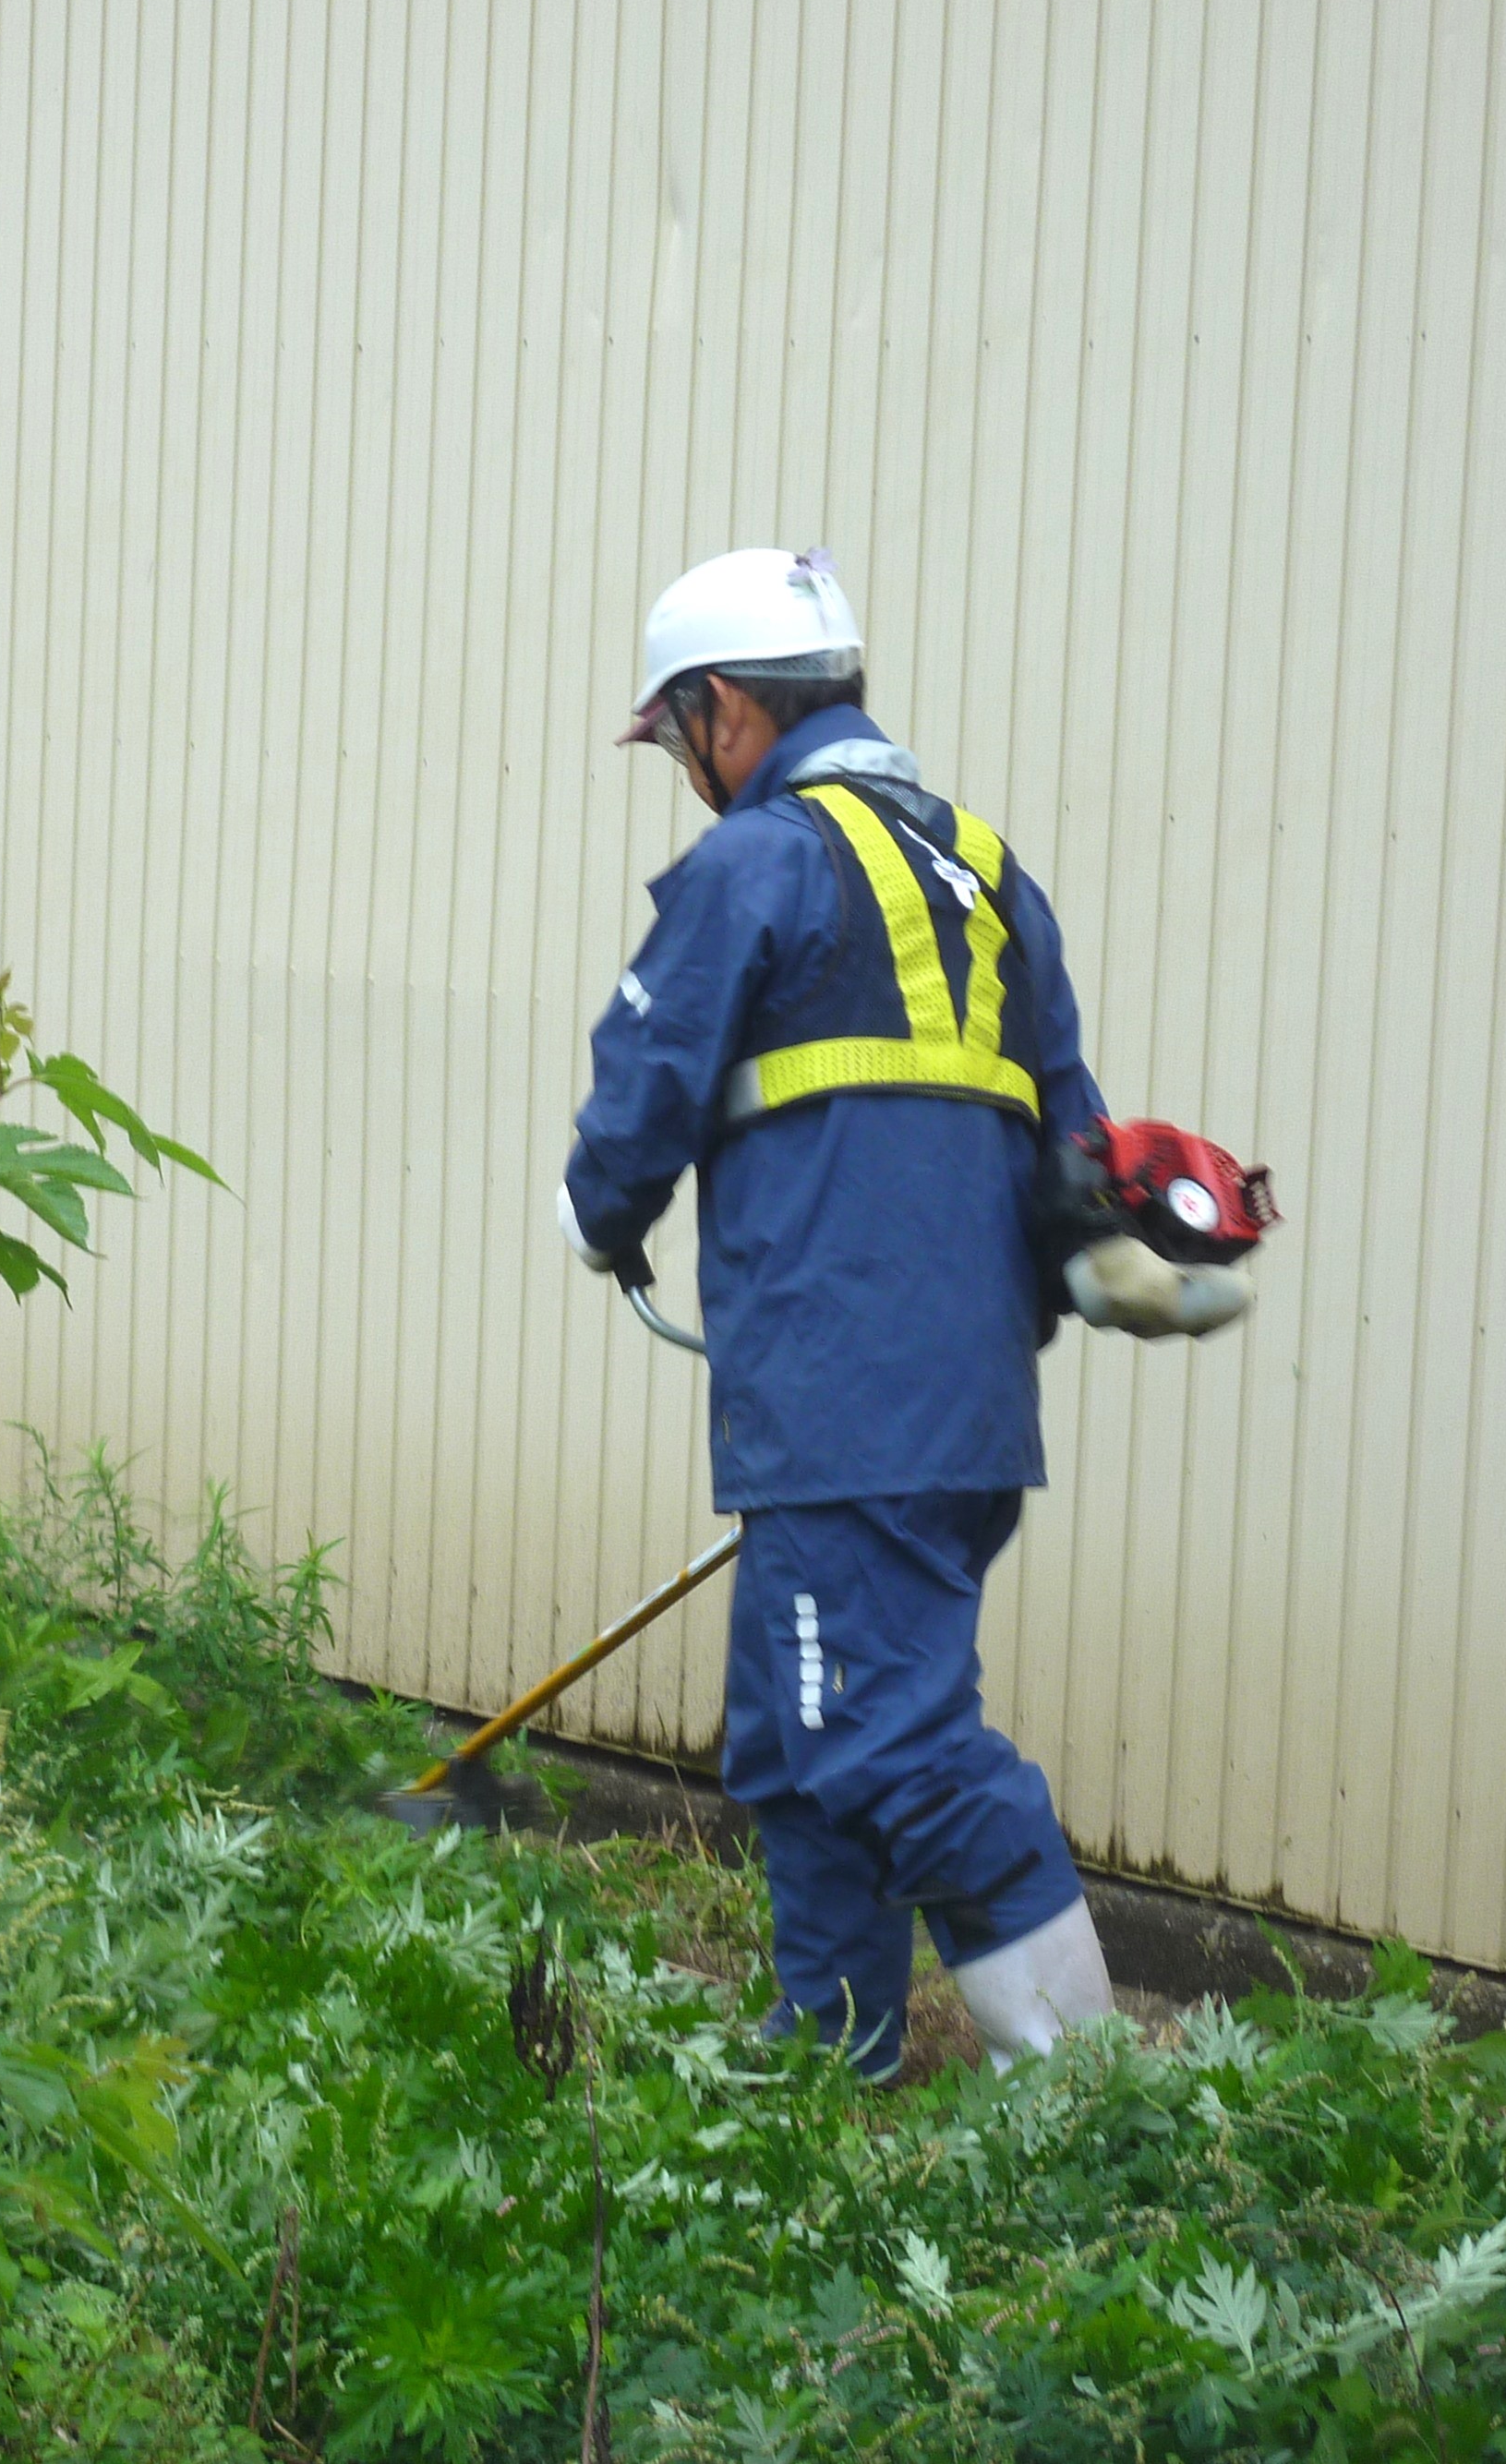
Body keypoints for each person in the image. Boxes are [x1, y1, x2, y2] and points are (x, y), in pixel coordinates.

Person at [557, 546, 1212, 2075]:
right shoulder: (987, 873)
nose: (686, 775)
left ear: (725, 709)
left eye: (677, 738)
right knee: (800, 1729)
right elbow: (1077, 1145)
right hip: (966, 1396)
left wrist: (600, 1215)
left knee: (887, 1740)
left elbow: (646, 1083)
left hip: (842, 1389)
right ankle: (824, 2043)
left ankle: (1094, 2094)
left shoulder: (761, 861)